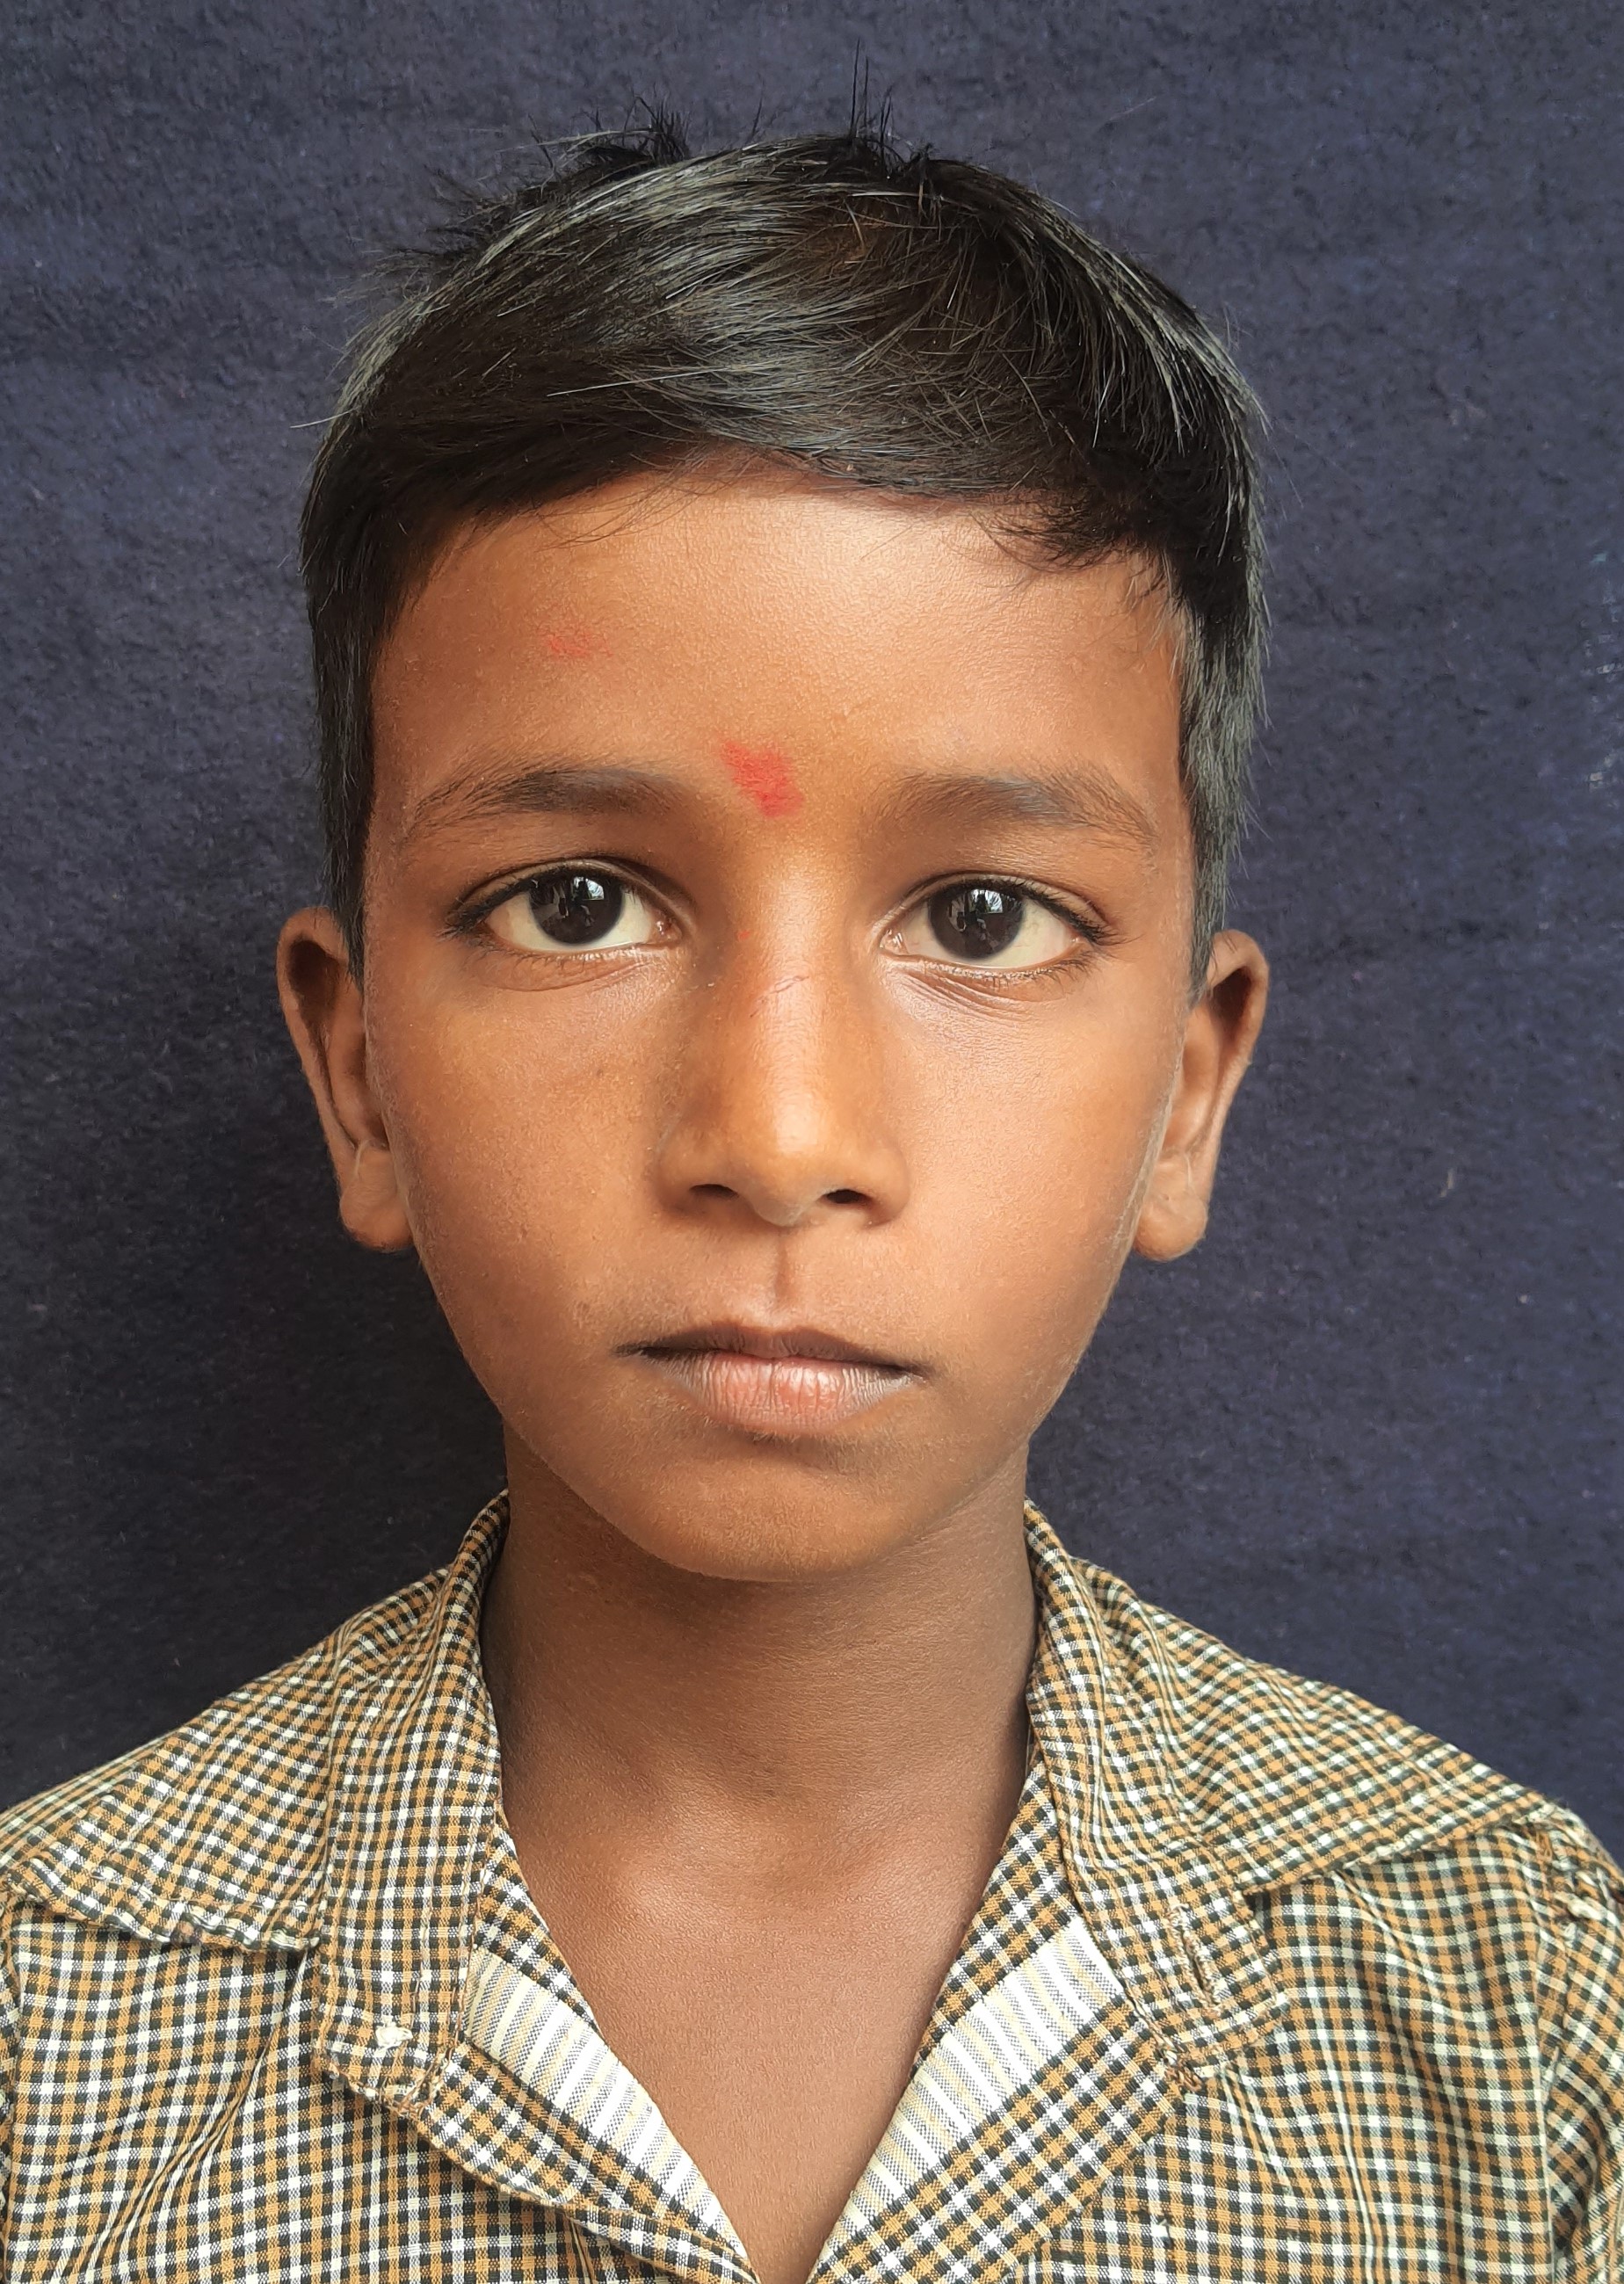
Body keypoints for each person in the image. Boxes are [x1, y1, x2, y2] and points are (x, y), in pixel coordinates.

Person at [1, 114, 1618, 2284]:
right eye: (578, 903)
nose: (777, 1132)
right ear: (358, 1068)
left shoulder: (1529, 2025)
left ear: (1187, 1092)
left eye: (982, 916)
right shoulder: (48, 2040)